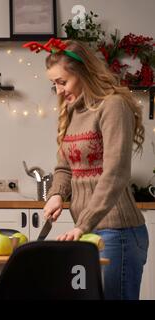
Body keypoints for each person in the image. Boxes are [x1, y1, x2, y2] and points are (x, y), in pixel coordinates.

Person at [28, 39, 149, 300]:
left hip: (118, 234)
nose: (58, 91)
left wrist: (83, 225)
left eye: (63, 81)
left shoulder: (113, 106)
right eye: (54, 84)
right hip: (88, 231)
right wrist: (57, 194)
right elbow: (64, 167)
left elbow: (115, 173)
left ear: (83, 73)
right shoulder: (72, 111)